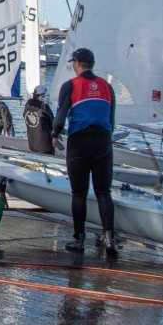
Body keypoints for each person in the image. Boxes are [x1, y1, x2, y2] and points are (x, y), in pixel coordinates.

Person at [53, 47, 118, 257]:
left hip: (79, 142)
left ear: (77, 64)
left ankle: (79, 240)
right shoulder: (107, 87)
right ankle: (109, 239)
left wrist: (54, 134)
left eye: (73, 63)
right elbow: (112, 121)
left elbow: (61, 118)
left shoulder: (70, 86)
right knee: (103, 192)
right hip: (103, 142)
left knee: (79, 193)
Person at [23, 85, 55, 155]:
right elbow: (54, 124)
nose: (47, 98)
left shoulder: (27, 106)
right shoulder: (44, 107)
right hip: (45, 146)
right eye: (45, 95)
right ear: (41, 96)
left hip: (32, 145)